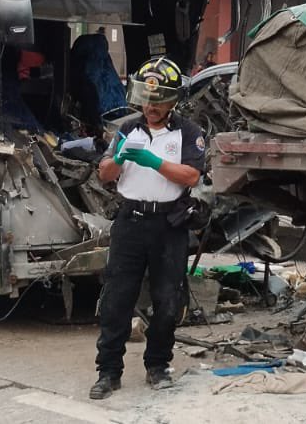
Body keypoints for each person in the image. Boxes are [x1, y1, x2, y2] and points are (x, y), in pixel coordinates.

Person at [89, 57, 206, 400]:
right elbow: (105, 173)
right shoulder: (127, 129)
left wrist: (155, 162)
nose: (150, 107)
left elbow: (192, 176)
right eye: (145, 99)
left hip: (169, 224)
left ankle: (158, 365)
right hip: (131, 222)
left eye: (158, 101)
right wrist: (121, 157)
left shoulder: (189, 133)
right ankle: (108, 372)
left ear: (173, 102)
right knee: (116, 300)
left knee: (168, 300)